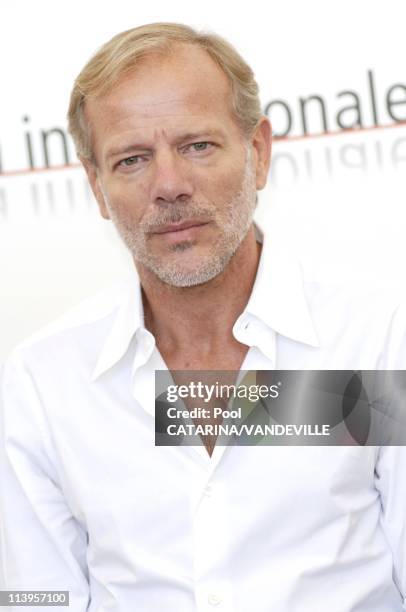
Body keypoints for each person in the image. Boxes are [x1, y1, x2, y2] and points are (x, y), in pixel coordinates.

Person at [1, 22, 405, 612]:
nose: (169, 185)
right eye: (133, 159)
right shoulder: (41, 383)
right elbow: (37, 600)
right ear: (96, 187)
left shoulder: (376, 337)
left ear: (258, 153)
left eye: (197, 145)